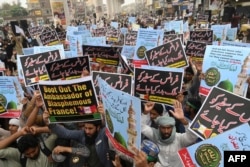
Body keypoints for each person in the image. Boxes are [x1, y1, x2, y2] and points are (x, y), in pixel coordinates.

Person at [45, 110, 114, 167]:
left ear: (98, 128)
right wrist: (49, 123)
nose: (87, 131)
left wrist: (105, 114)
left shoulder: (103, 134)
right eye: (85, 128)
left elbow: (111, 128)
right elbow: (65, 133)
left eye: (90, 128)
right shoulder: (82, 134)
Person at [141, 100, 197, 167]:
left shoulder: (180, 139)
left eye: (169, 128)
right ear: (159, 128)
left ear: (173, 128)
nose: (166, 131)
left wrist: (183, 120)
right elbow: (141, 126)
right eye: (163, 128)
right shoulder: (155, 135)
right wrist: (145, 113)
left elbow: (193, 136)